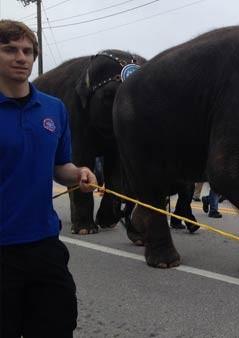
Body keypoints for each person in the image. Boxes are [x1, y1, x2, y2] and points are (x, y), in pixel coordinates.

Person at [0, 20, 98, 337]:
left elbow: (61, 167)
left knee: (58, 325)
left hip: (44, 244)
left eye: (28, 51)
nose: (21, 57)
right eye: (9, 50)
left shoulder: (54, 109)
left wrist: (79, 173)